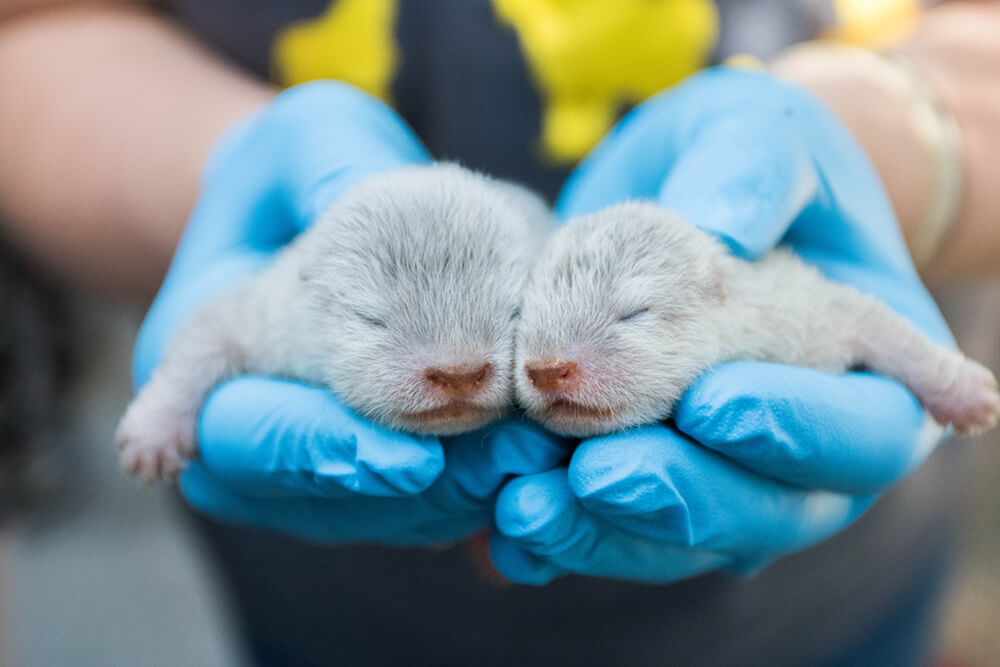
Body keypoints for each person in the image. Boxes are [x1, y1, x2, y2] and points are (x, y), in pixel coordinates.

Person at [1, 1, 998, 664]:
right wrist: (208, 168)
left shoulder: (742, 290)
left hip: (827, 606)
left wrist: (918, 142)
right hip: (337, 607)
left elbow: (858, 318)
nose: (492, 368)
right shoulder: (294, 289)